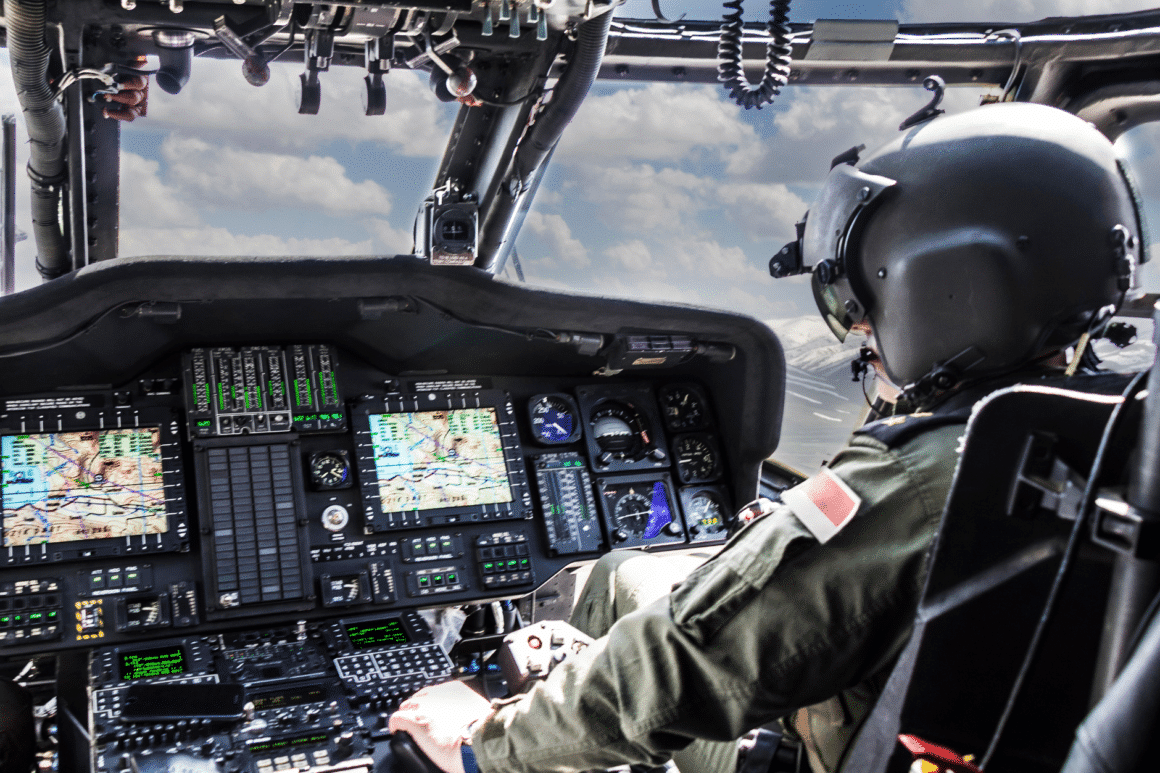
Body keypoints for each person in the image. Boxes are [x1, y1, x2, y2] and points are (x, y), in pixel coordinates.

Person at [388, 102, 1145, 773]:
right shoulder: (1124, 439)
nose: (861, 324)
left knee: (615, 664)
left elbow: (683, 663)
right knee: (622, 572)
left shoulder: (931, 472)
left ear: (942, 279)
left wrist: (481, 743)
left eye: (864, 293)